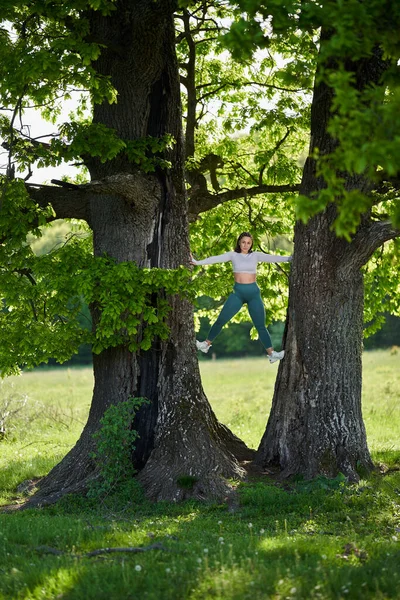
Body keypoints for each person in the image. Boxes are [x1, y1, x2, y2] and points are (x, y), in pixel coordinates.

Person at [190, 232, 292, 363]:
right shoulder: (233, 255)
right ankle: (206, 344)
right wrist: (197, 262)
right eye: (243, 242)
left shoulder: (255, 255)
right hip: (238, 293)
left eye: (249, 243)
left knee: (260, 325)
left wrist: (290, 258)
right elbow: (215, 259)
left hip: (254, 294)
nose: (246, 245)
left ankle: (272, 354)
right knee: (221, 319)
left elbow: (273, 258)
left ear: (251, 244)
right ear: (239, 242)